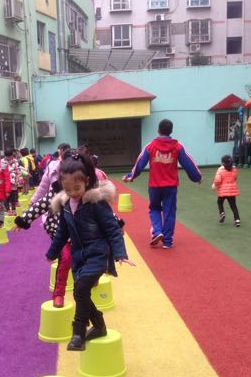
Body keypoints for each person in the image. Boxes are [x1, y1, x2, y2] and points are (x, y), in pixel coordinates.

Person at [46, 152, 135, 351]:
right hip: (79, 257)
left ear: (86, 181)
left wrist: (120, 253)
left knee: (80, 290)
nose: (72, 193)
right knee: (80, 293)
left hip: (97, 255)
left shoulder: (96, 203)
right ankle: (99, 326)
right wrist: (52, 252)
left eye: (77, 188)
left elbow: (112, 229)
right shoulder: (66, 205)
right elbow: (62, 232)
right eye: (67, 189)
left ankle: (78, 333)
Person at [124, 119, 201, 249]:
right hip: (170, 187)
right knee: (169, 212)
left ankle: (157, 231)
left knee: (154, 208)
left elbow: (140, 162)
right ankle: (167, 242)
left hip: (154, 186)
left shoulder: (150, 146)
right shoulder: (178, 146)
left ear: (158, 131)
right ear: (171, 131)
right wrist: (196, 177)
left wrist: (131, 176)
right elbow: (188, 163)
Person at [13, 179, 70, 308]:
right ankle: (58, 294)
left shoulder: (87, 189)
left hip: (84, 232)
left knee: (89, 257)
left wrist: (114, 224)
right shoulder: (57, 191)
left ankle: (91, 277)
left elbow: (101, 210)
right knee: (65, 259)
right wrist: (23, 220)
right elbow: (40, 205)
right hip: (61, 231)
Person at [212, 155, 241, 227]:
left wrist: (214, 185)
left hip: (223, 191)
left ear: (222, 163)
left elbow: (218, 180)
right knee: (233, 205)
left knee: (219, 202)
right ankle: (237, 220)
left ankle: (222, 213)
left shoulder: (220, 170)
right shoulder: (234, 169)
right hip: (232, 190)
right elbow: (235, 178)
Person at [1, 148, 23, 215]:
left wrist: (19, 179)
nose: (8, 158)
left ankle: (13, 209)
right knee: (6, 196)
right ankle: (7, 209)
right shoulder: (2, 161)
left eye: (10, 156)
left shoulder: (15, 161)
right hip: (5, 182)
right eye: (7, 156)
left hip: (14, 181)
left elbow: (18, 170)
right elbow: (1, 171)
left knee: (13, 196)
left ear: (12, 155)